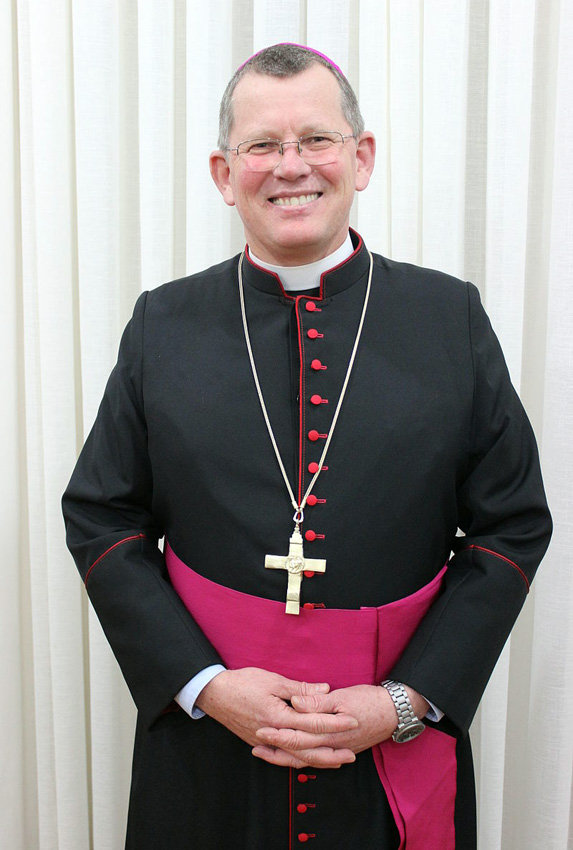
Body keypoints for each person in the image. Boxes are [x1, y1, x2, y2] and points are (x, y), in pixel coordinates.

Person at [62, 43, 551, 850]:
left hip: (387, 748)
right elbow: (101, 516)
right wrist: (205, 685)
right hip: (211, 751)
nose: (291, 166)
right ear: (224, 175)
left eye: (316, 139)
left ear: (361, 158)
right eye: (261, 145)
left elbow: (511, 525)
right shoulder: (163, 324)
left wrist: (403, 702)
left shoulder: (447, 319)